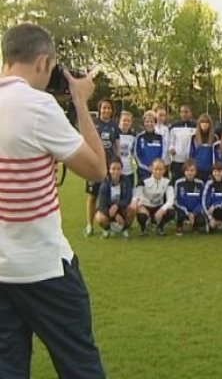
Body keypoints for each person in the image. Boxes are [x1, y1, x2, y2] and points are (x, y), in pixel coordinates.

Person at [0, 23, 106, 377]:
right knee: (80, 367)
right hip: (44, 267)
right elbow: (96, 169)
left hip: (1, 270)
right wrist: (79, 100)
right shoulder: (38, 106)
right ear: (43, 61)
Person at [84, 97, 120, 237]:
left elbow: (116, 145)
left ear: (112, 111)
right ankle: (89, 225)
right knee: (93, 196)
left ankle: (106, 225)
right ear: (99, 110)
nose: (106, 110)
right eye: (103, 107)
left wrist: (117, 161)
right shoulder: (93, 125)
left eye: (108, 108)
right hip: (94, 164)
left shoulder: (114, 126)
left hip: (110, 166)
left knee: (108, 196)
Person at [133, 158, 175, 236]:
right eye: (156, 169)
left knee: (171, 212)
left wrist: (162, 209)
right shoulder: (143, 181)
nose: (158, 172)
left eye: (160, 169)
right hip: (146, 206)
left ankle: (160, 227)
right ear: (152, 169)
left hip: (158, 207)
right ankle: (143, 229)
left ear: (164, 170)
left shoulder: (167, 182)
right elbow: (136, 196)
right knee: (141, 215)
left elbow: (171, 200)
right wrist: (140, 206)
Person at [95, 159, 135, 239]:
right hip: (108, 210)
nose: (116, 171)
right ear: (109, 170)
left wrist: (117, 205)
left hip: (121, 208)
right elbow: (102, 204)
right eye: (113, 169)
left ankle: (125, 229)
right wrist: (115, 215)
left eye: (118, 169)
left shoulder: (126, 181)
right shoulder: (104, 184)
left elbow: (128, 198)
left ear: (121, 170)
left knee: (133, 208)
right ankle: (107, 230)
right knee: (99, 217)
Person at [202, 162, 222, 238]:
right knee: (210, 231)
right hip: (212, 212)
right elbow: (203, 201)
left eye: (219, 171)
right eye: (215, 171)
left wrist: (216, 205)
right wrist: (210, 217)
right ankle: (216, 223)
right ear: (212, 172)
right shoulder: (208, 184)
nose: (217, 174)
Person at [174, 161, 205, 236]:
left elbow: (202, 200)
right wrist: (186, 212)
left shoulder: (200, 183)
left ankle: (195, 226)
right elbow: (175, 200)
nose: (189, 172)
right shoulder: (178, 182)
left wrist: (194, 212)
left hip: (195, 209)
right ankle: (179, 226)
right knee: (180, 215)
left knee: (202, 221)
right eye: (187, 170)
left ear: (196, 172)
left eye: (192, 170)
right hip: (183, 209)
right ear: (184, 172)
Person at [134, 110, 164, 184]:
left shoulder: (160, 137)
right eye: (147, 121)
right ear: (144, 123)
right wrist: (147, 167)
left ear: (155, 123)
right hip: (143, 171)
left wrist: (156, 167)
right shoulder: (139, 137)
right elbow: (136, 154)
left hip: (157, 171)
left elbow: (162, 153)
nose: (149, 124)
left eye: (151, 122)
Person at [168, 104, 196, 182]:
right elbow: (171, 142)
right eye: (182, 112)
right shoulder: (174, 127)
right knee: (176, 182)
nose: (184, 114)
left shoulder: (196, 127)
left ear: (191, 113)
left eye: (186, 112)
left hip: (190, 161)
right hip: (177, 161)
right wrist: (171, 149)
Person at [188, 113, 217, 181]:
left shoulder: (214, 138)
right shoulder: (194, 137)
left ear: (210, 124)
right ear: (199, 124)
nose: (205, 124)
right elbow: (191, 155)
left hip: (209, 170)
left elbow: (216, 156)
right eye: (202, 122)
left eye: (207, 122)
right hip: (197, 170)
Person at [118, 110, 136, 189]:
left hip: (128, 172)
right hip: (116, 172)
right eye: (124, 120)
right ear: (120, 121)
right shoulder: (114, 133)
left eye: (128, 121)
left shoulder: (133, 136)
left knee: (129, 197)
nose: (126, 123)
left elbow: (135, 153)